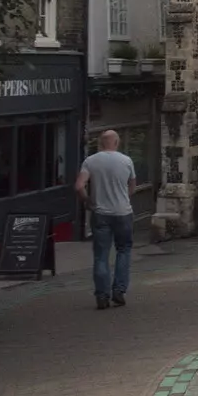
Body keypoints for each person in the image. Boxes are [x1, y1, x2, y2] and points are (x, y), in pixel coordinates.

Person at [76, 130, 136, 310]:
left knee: (101, 255)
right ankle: (119, 290)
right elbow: (132, 187)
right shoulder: (126, 161)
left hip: (100, 213)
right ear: (116, 142)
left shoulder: (90, 161)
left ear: (101, 143)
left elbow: (79, 185)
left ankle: (102, 296)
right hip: (123, 213)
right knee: (123, 250)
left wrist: (88, 201)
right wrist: (123, 198)